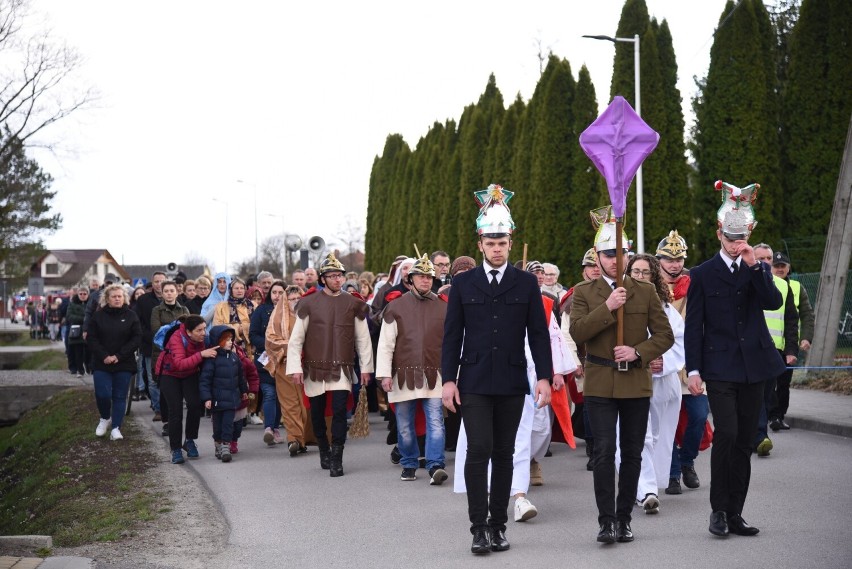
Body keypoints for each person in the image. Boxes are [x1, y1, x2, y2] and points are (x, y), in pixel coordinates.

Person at [441, 184, 553, 554]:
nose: (497, 248)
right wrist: (447, 381)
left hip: (510, 379)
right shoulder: (462, 283)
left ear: (510, 241)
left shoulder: (525, 283)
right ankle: (477, 528)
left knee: (505, 453)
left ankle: (498, 525)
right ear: (480, 244)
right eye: (490, 242)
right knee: (478, 451)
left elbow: (538, 334)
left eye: (502, 242)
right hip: (472, 380)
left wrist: (544, 378)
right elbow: (452, 335)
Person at [685, 180, 785, 537]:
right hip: (720, 367)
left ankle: (735, 513)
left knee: (744, 440)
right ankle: (717, 512)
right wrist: (693, 369)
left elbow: (773, 302)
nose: (735, 243)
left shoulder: (757, 268)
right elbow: (693, 326)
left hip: (755, 367)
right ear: (718, 234)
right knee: (726, 433)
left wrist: (755, 264)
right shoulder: (700, 274)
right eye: (730, 237)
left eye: (741, 237)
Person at [569, 209, 674, 544]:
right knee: (603, 453)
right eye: (609, 254)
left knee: (631, 453)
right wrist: (609, 306)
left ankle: (625, 518)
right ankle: (606, 521)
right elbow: (578, 333)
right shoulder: (585, 292)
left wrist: (639, 351)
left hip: (635, 381)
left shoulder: (645, 291)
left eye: (621, 253)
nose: (616, 260)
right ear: (598, 257)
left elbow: (665, 335)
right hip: (600, 380)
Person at [286, 253, 373, 477]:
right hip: (314, 368)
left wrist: (365, 368)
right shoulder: (308, 303)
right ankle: (323, 449)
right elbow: (296, 339)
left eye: (339, 276)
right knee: (316, 413)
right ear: (323, 278)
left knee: (339, 412)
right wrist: (295, 367)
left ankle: (337, 457)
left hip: (342, 368)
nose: (337, 279)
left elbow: (363, 339)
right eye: (332, 276)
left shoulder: (354, 303)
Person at [619, 253, 684, 515]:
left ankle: (648, 484)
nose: (640, 276)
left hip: (664, 383)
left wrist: (663, 361)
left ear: (654, 276)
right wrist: (642, 357)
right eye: (635, 271)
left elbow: (679, 341)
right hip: (634, 379)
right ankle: (645, 489)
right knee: (640, 436)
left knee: (660, 436)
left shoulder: (667, 309)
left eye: (646, 272)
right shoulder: (622, 306)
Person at [377, 254, 448, 484]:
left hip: (434, 374)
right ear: (411, 279)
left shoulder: (444, 307)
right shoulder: (395, 307)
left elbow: (451, 343)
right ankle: (408, 463)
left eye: (429, 277)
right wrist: (384, 374)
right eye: (421, 277)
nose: (426, 281)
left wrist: (452, 376)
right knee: (405, 426)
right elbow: (386, 344)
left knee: (436, 422)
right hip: (402, 375)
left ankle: (435, 465)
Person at [654, 230, 709, 496]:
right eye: (668, 259)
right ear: (659, 260)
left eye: (678, 259)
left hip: (691, 365)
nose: (674, 264)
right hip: (662, 366)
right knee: (668, 423)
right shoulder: (649, 288)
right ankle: (673, 473)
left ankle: (687, 462)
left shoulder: (695, 285)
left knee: (698, 417)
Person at [752, 244, 799, 457]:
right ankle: (753, 434)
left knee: (764, 395)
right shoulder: (744, 280)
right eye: (759, 257)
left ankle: (761, 436)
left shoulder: (782, 286)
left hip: (773, 350)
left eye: (768, 258)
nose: (764, 261)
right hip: (748, 350)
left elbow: (791, 320)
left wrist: (791, 349)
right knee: (751, 397)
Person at [155, 314, 218, 464]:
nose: (204, 333)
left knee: (195, 405)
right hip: (169, 374)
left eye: (204, 329)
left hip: (190, 373)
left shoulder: (204, 339)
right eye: (199, 330)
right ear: (189, 332)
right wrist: (201, 354)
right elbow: (179, 364)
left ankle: (189, 441)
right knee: (175, 410)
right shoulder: (177, 338)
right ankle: (175, 448)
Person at [87, 284, 142, 441]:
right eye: (114, 296)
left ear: (124, 298)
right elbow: (91, 338)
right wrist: (104, 355)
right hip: (101, 362)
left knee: (119, 396)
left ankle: (116, 428)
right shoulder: (98, 316)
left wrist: (119, 355)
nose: (117, 299)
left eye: (120, 296)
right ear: (107, 299)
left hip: (123, 362)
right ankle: (105, 418)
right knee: (102, 394)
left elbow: (136, 338)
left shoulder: (131, 315)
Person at [769, 251, 814, 431]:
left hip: (789, 344)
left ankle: (779, 415)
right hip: (768, 344)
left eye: (783, 266)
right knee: (767, 383)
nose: (780, 269)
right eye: (776, 266)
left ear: (788, 268)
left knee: (783, 383)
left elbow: (807, 314)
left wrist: (806, 337)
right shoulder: (764, 284)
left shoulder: (796, 287)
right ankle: (771, 416)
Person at [265, 285, 310, 456]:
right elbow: (270, 340)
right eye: (291, 299)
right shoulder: (277, 317)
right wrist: (292, 346)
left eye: (298, 298)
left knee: (305, 404)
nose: (295, 302)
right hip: (285, 365)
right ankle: (294, 439)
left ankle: (304, 438)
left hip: (306, 365)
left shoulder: (309, 316)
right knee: (289, 404)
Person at [200, 326, 249, 462]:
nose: (230, 342)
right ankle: (218, 443)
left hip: (231, 399)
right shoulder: (212, 359)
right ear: (218, 341)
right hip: (216, 399)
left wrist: (243, 390)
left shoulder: (234, 358)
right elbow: (205, 380)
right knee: (218, 425)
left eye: (231, 339)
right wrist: (207, 398)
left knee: (228, 423)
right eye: (226, 340)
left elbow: (240, 377)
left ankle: (226, 446)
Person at [250, 280, 287, 446]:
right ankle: (269, 429)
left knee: (280, 396)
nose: (277, 296)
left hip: (284, 359)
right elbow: (254, 334)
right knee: (270, 393)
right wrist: (268, 345)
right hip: (265, 359)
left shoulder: (289, 311)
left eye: (280, 293)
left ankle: (275, 427)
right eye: (274, 292)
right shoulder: (261, 310)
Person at [134, 271, 167, 419]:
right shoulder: (143, 300)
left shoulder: (173, 299)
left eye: (162, 281)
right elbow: (138, 322)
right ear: (152, 284)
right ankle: (158, 408)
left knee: (167, 379)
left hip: (170, 347)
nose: (159, 284)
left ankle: (166, 408)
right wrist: (150, 337)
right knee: (152, 380)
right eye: (156, 281)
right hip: (149, 345)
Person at [212, 278, 254, 357]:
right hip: (230, 346)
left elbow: (257, 324)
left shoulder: (252, 305)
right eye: (236, 288)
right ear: (231, 290)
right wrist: (238, 329)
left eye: (242, 288)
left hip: (251, 347)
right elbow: (217, 327)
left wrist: (244, 328)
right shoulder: (221, 306)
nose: (239, 290)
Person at [66, 288, 90, 377]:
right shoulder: (72, 304)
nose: (83, 296)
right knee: (77, 352)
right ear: (78, 294)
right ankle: (80, 370)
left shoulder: (91, 304)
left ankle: (89, 368)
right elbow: (69, 316)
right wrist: (84, 319)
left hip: (89, 330)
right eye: (81, 294)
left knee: (89, 352)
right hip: (76, 331)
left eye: (85, 294)